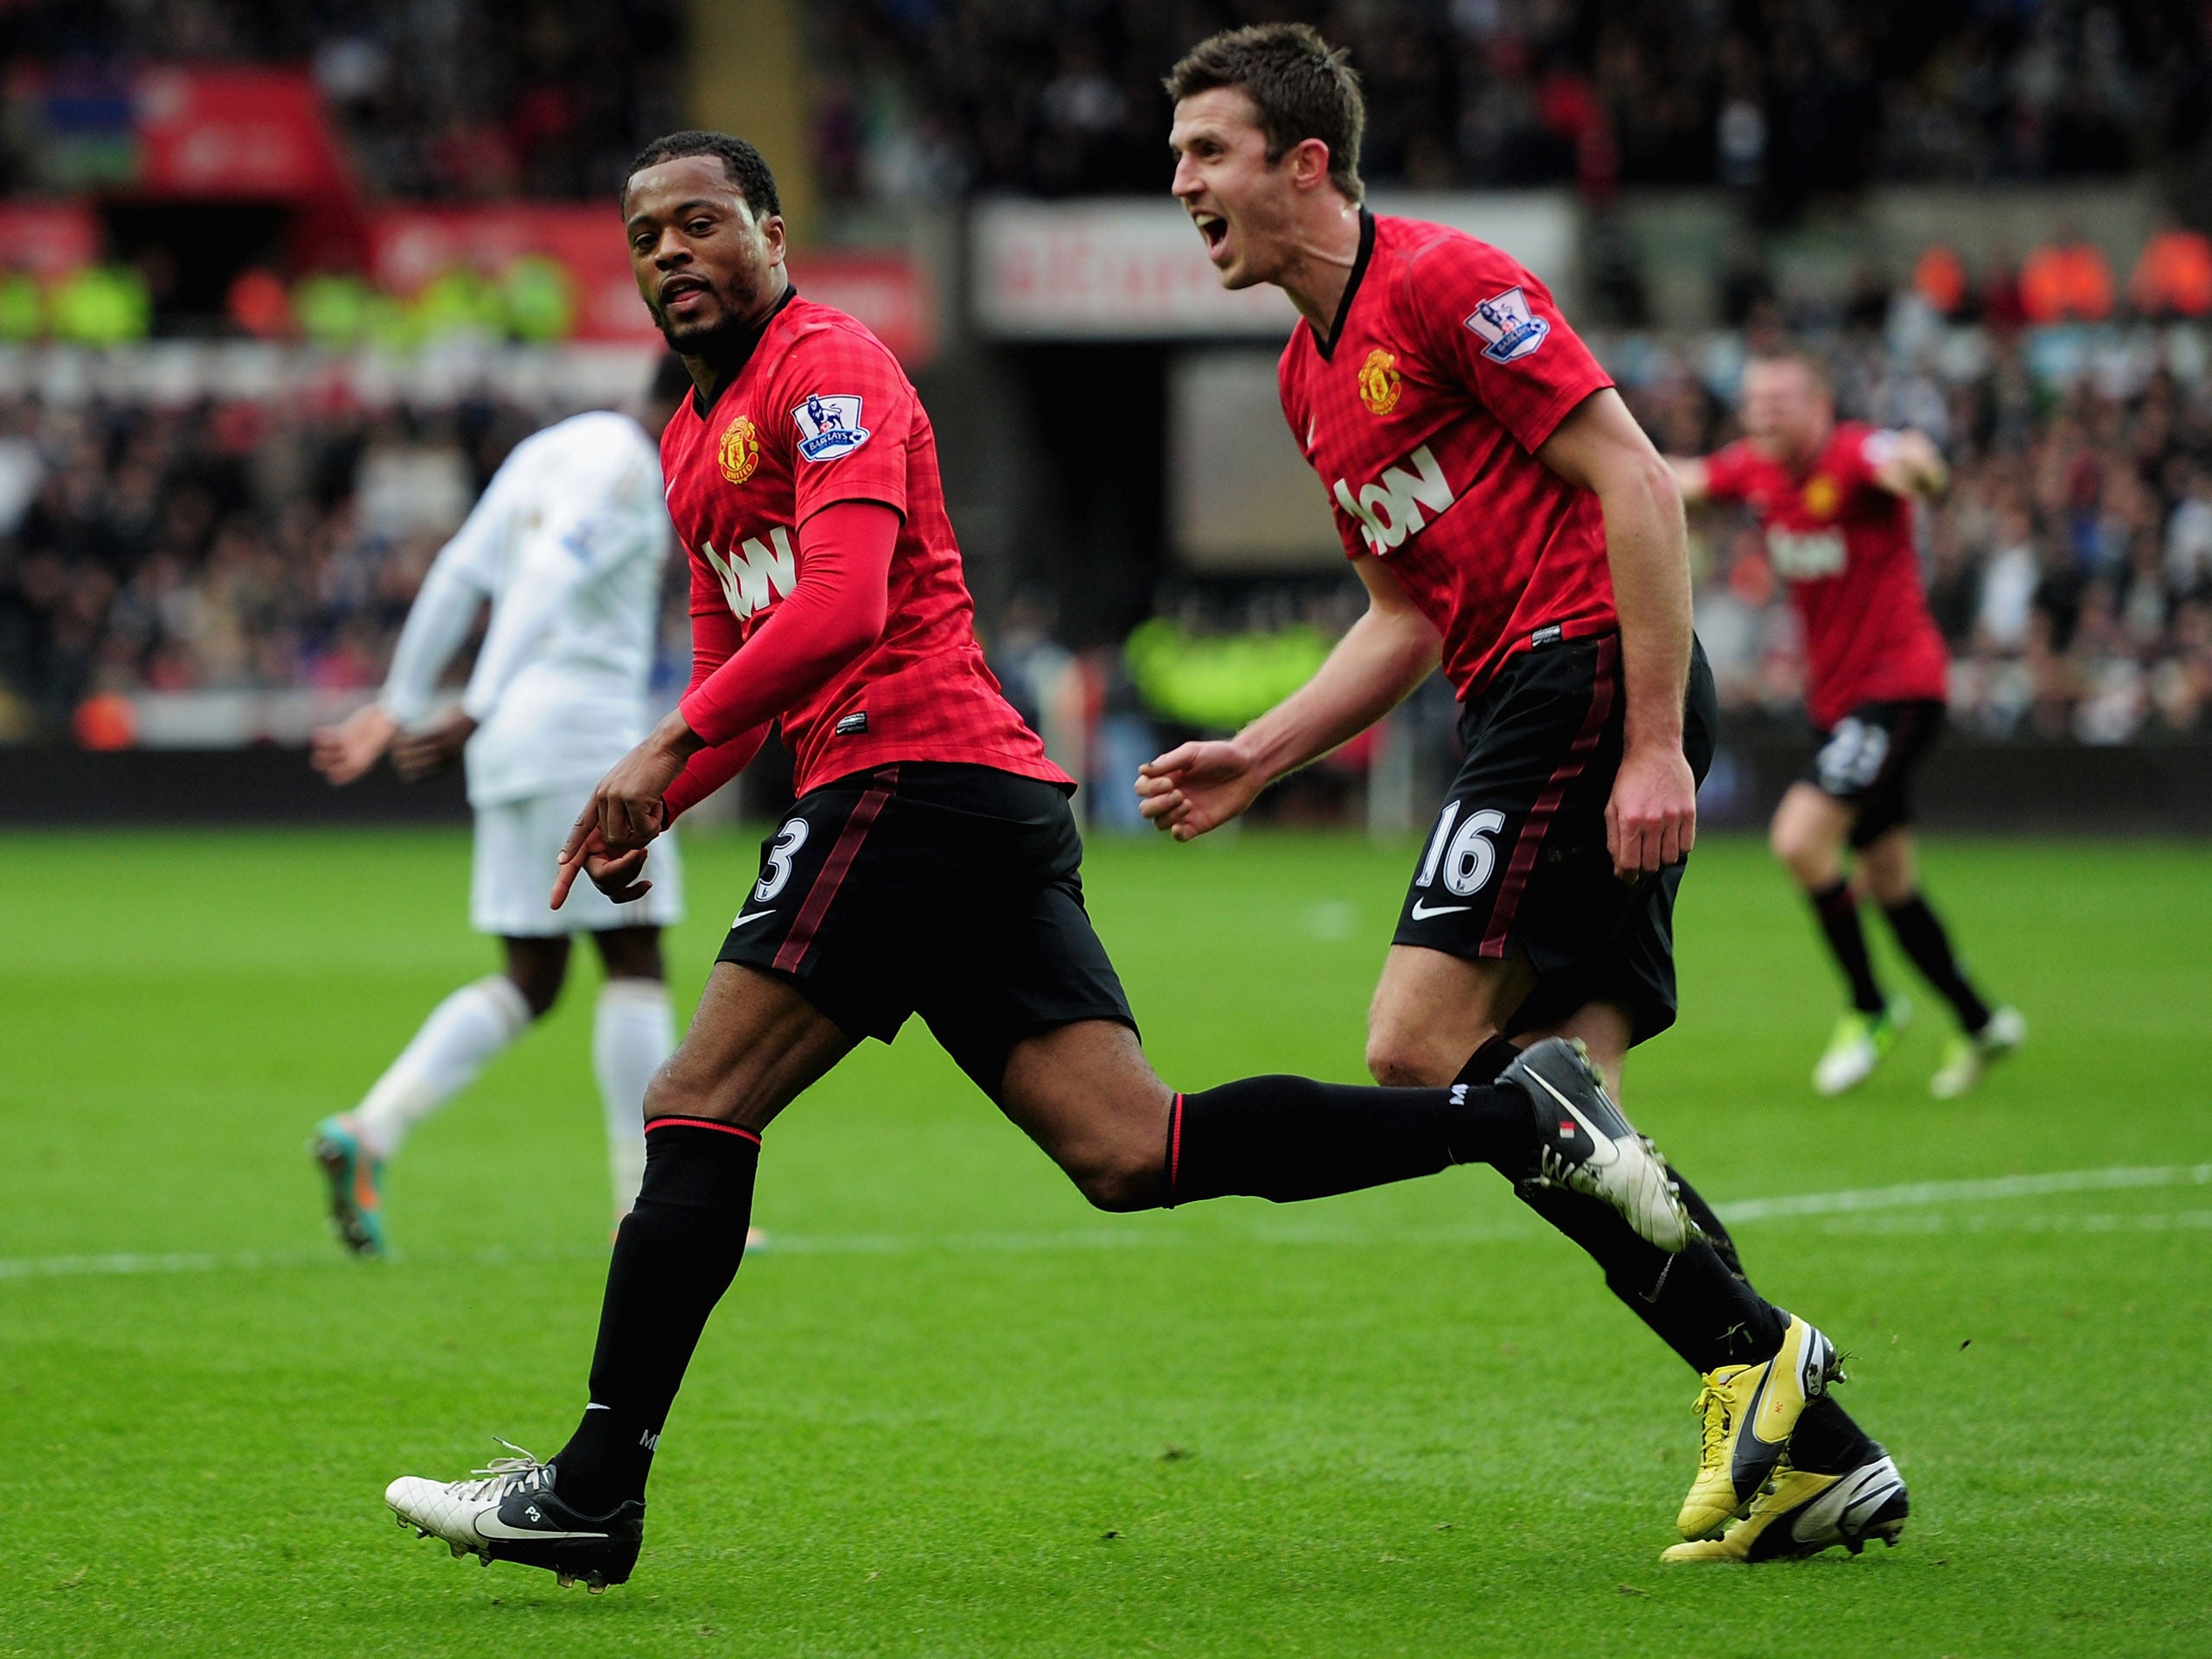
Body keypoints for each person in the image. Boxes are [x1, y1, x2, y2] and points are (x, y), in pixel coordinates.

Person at [381, 129, 1703, 1593]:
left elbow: (839, 602)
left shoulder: (828, 366)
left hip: (912, 769)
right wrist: (667, 788)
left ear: (768, 229)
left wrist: (654, 751)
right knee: (1131, 1151)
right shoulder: (692, 445)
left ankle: (591, 1486)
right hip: (963, 803)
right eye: (647, 239)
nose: (673, 256)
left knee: (697, 1102)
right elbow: (732, 651)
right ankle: (1513, 1123)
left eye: (701, 225)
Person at [1136, 24, 1906, 1564]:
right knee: (1574, 1112)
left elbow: (1632, 478)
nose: (1184, 185)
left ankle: (1770, 1372)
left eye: (1209, 153)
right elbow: (1405, 618)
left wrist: (1652, 741)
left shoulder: (1440, 281)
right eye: (1177, 161)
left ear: (1305, 164)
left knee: (1418, 1045)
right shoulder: (1306, 375)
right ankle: (1811, 1440)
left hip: (1577, 677)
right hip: (1523, 687)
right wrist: (1262, 751)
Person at [307, 359, 694, 1255]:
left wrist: (399, 702)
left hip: (513, 740)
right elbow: (553, 577)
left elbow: (458, 572)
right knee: (634, 958)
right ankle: (645, 1203)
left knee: (533, 975)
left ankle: (372, 1132)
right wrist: (470, 701)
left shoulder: (545, 450)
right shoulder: (634, 463)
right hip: (580, 731)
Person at [1669, 350, 2024, 1097]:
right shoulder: (1756, 471)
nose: (1764, 410)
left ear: (1820, 403)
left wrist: (1922, 469)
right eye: (1755, 398)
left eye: (1781, 398)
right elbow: (1682, 479)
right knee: (1891, 879)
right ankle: (1980, 1020)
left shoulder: (1855, 453)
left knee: (1800, 839)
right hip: (1839, 705)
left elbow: (1912, 463)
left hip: (1898, 690)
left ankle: (1870, 1008)